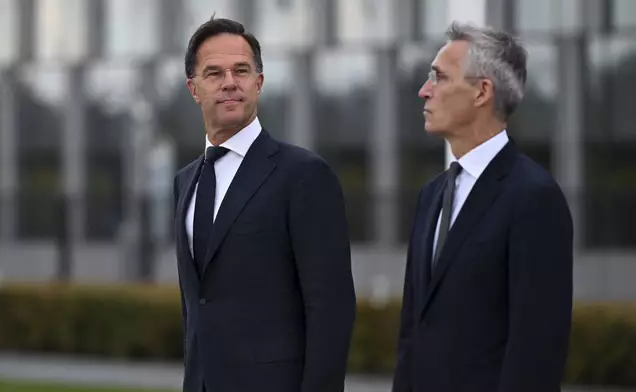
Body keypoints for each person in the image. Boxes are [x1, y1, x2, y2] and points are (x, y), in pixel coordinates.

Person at [173, 17, 356, 392]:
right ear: (194, 88)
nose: (229, 82)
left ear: (259, 82)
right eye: (214, 73)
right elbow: (197, 304)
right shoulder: (185, 182)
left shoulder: (304, 175)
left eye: (241, 70)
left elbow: (331, 310)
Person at [392, 21, 573, 392]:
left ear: (481, 92)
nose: (424, 90)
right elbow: (413, 331)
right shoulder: (431, 195)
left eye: (439, 78)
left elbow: (536, 351)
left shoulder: (533, 197)